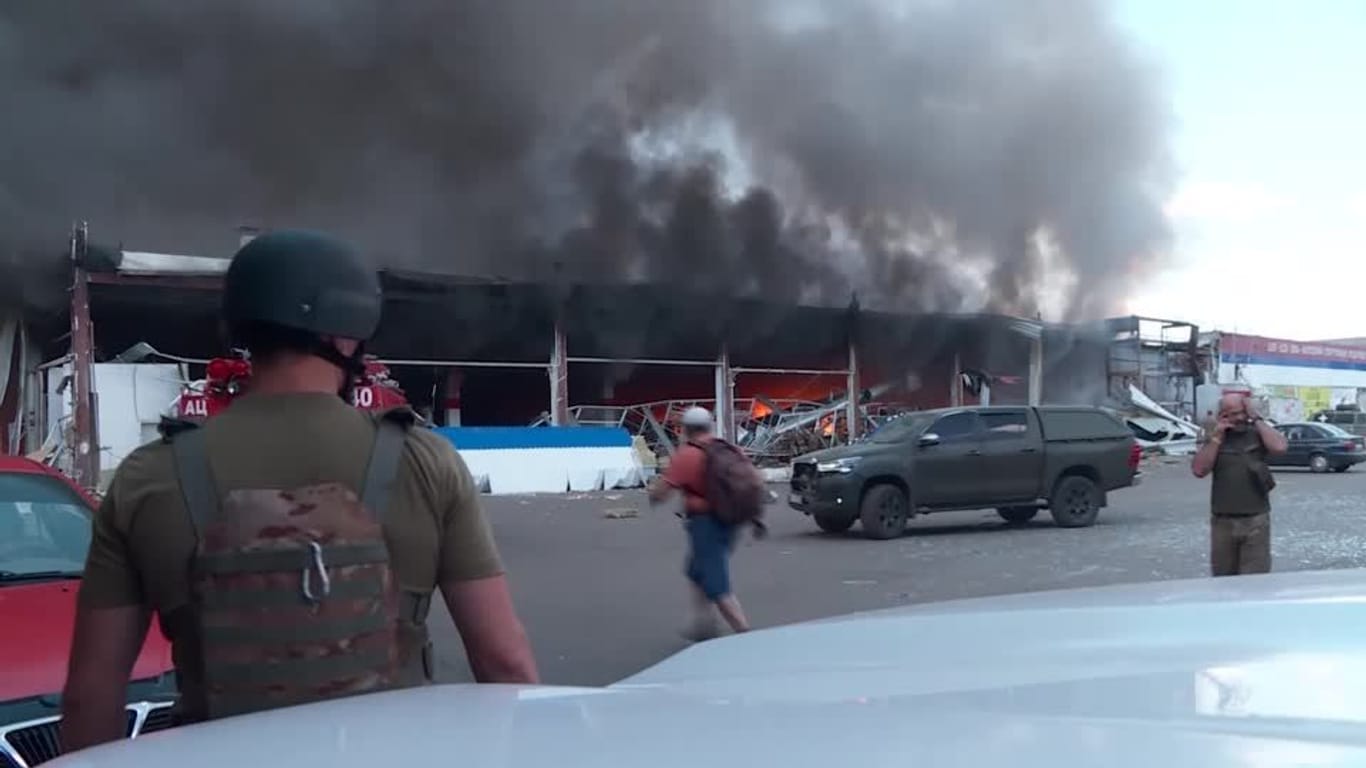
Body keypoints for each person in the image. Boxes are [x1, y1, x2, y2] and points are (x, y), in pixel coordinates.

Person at [61, 230, 538, 751]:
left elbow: (91, 697)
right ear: (350, 332)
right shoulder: (426, 462)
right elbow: (502, 661)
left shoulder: (147, 476)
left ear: (241, 325)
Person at [648, 406, 759, 640]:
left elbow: (662, 491)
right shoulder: (727, 448)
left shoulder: (687, 455)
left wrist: (653, 495)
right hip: (732, 520)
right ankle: (703, 625)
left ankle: (747, 635)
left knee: (715, 582)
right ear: (709, 426)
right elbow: (755, 479)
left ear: (686, 429)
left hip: (706, 524)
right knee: (696, 571)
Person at [1191, 393, 1288, 577]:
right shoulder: (1214, 436)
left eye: (1243, 412)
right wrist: (1217, 436)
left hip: (1256, 520)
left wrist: (1257, 417)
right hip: (1223, 522)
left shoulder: (1257, 433)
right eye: (1234, 414)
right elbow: (1199, 470)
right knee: (1223, 581)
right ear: (1223, 415)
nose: (1240, 418)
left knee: (1255, 583)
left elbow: (1280, 447)